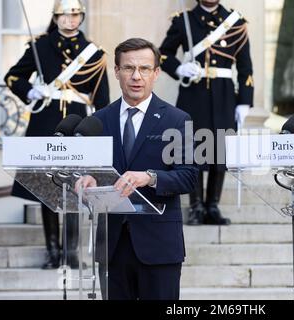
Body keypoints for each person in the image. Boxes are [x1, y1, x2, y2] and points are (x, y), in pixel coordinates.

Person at [77, 38, 198, 300]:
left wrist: (149, 177)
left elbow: (189, 176)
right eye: (129, 68)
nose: (136, 76)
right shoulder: (97, 121)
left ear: (156, 73)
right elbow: (93, 172)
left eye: (144, 69)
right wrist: (86, 179)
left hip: (159, 245)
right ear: (117, 71)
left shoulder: (177, 120)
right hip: (112, 245)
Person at [4, 0, 110, 269]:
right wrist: (30, 91)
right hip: (46, 122)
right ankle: (53, 251)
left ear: (81, 17)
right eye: (65, 15)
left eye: (75, 15)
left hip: (79, 125)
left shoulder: (94, 54)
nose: (70, 20)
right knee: (47, 188)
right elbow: (13, 77)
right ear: (56, 17)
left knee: (76, 188)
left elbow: (103, 100)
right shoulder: (41, 46)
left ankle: (71, 253)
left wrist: (100, 133)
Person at [159, 0, 254, 225]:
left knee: (220, 149)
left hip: (224, 94)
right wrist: (179, 67)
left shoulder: (236, 22)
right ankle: (195, 206)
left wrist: (244, 102)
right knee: (194, 150)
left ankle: (212, 205)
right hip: (194, 93)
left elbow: (245, 67)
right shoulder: (184, 21)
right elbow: (163, 54)